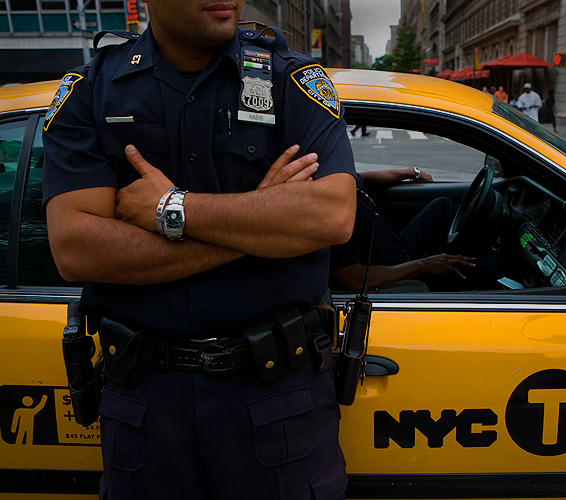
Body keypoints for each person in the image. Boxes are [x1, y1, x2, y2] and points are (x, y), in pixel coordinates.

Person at [42, 0, 356, 498]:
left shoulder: (288, 80)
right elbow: (76, 249)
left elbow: (332, 216)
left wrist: (172, 208)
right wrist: (259, 219)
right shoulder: (92, 92)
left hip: (279, 399)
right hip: (146, 404)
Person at [330, 168, 501, 293]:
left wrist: (410, 172)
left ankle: (472, 256)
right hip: (393, 269)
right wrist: (424, 265)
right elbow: (353, 279)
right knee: (489, 268)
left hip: (396, 247)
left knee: (442, 206)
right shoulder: (332, 206)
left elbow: (362, 179)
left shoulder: (335, 177)